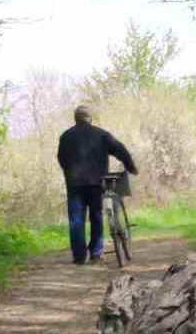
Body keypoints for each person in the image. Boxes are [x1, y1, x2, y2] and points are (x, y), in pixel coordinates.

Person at [56, 105, 138, 266]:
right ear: (90, 118)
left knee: (76, 220)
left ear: (75, 118)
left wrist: (69, 172)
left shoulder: (66, 136)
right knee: (96, 216)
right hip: (96, 182)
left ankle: (79, 257)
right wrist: (130, 167)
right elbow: (120, 149)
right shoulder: (101, 134)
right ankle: (96, 253)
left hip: (75, 184)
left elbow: (61, 158)